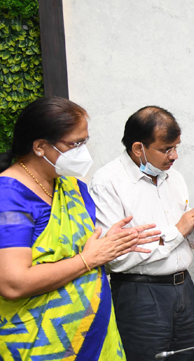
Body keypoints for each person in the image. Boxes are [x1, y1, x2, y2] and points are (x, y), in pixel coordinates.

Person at [0, 97, 159, 360]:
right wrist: (88, 259)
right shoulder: (9, 197)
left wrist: (110, 244)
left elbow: (82, 250)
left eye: (84, 142)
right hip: (37, 344)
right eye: (74, 144)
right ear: (40, 147)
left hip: (94, 336)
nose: (83, 152)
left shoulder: (73, 188)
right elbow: (13, 283)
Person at [89, 106, 194, 360]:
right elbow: (115, 256)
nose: (175, 156)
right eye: (166, 149)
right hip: (140, 294)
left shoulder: (174, 177)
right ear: (138, 148)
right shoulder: (108, 182)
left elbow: (186, 241)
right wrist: (177, 230)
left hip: (183, 288)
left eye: (176, 147)